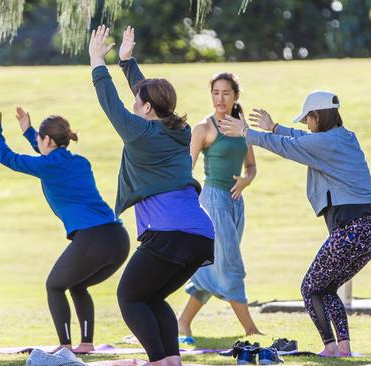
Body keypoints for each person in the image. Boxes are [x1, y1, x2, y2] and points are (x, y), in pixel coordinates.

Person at [218, 90, 371, 357]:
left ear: (317, 116)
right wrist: (274, 127)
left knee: (310, 287)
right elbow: (304, 139)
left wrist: (248, 132)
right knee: (326, 287)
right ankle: (343, 349)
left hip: (352, 230)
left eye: (308, 118)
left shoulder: (324, 144)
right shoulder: (345, 137)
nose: (306, 124)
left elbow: (290, 146)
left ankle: (330, 346)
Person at [88, 25, 215, 366]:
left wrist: (97, 61)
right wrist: (127, 62)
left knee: (129, 297)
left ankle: (159, 361)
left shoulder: (139, 131)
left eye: (138, 101)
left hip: (169, 232)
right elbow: (152, 100)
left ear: (145, 109)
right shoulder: (179, 129)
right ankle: (170, 360)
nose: (134, 103)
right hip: (200, 234)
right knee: (153, 297)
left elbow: (109, 102)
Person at [0, 106, 129, 353]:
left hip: (94, 237)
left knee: (54, 286)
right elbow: (48, 154)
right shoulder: (81, 162)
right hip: (117, 239)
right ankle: (86, 344)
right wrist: (29, 131)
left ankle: (65, 347)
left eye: (40, 139)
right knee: (77, 285)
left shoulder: (48, 166)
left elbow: (7, 157)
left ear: (47, 139)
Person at [177, 72, 261, 340]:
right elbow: (186, 169)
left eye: (225, 93)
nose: (220, 98)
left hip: (236, 202)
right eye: (215, 92)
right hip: (213, 202)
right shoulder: (204, 128)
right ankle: (251, 330)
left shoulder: (241, 127)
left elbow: (251, 166)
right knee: (230, 265)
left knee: (214, 265)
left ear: (235, 95)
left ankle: (182, 323)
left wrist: (246, 181)